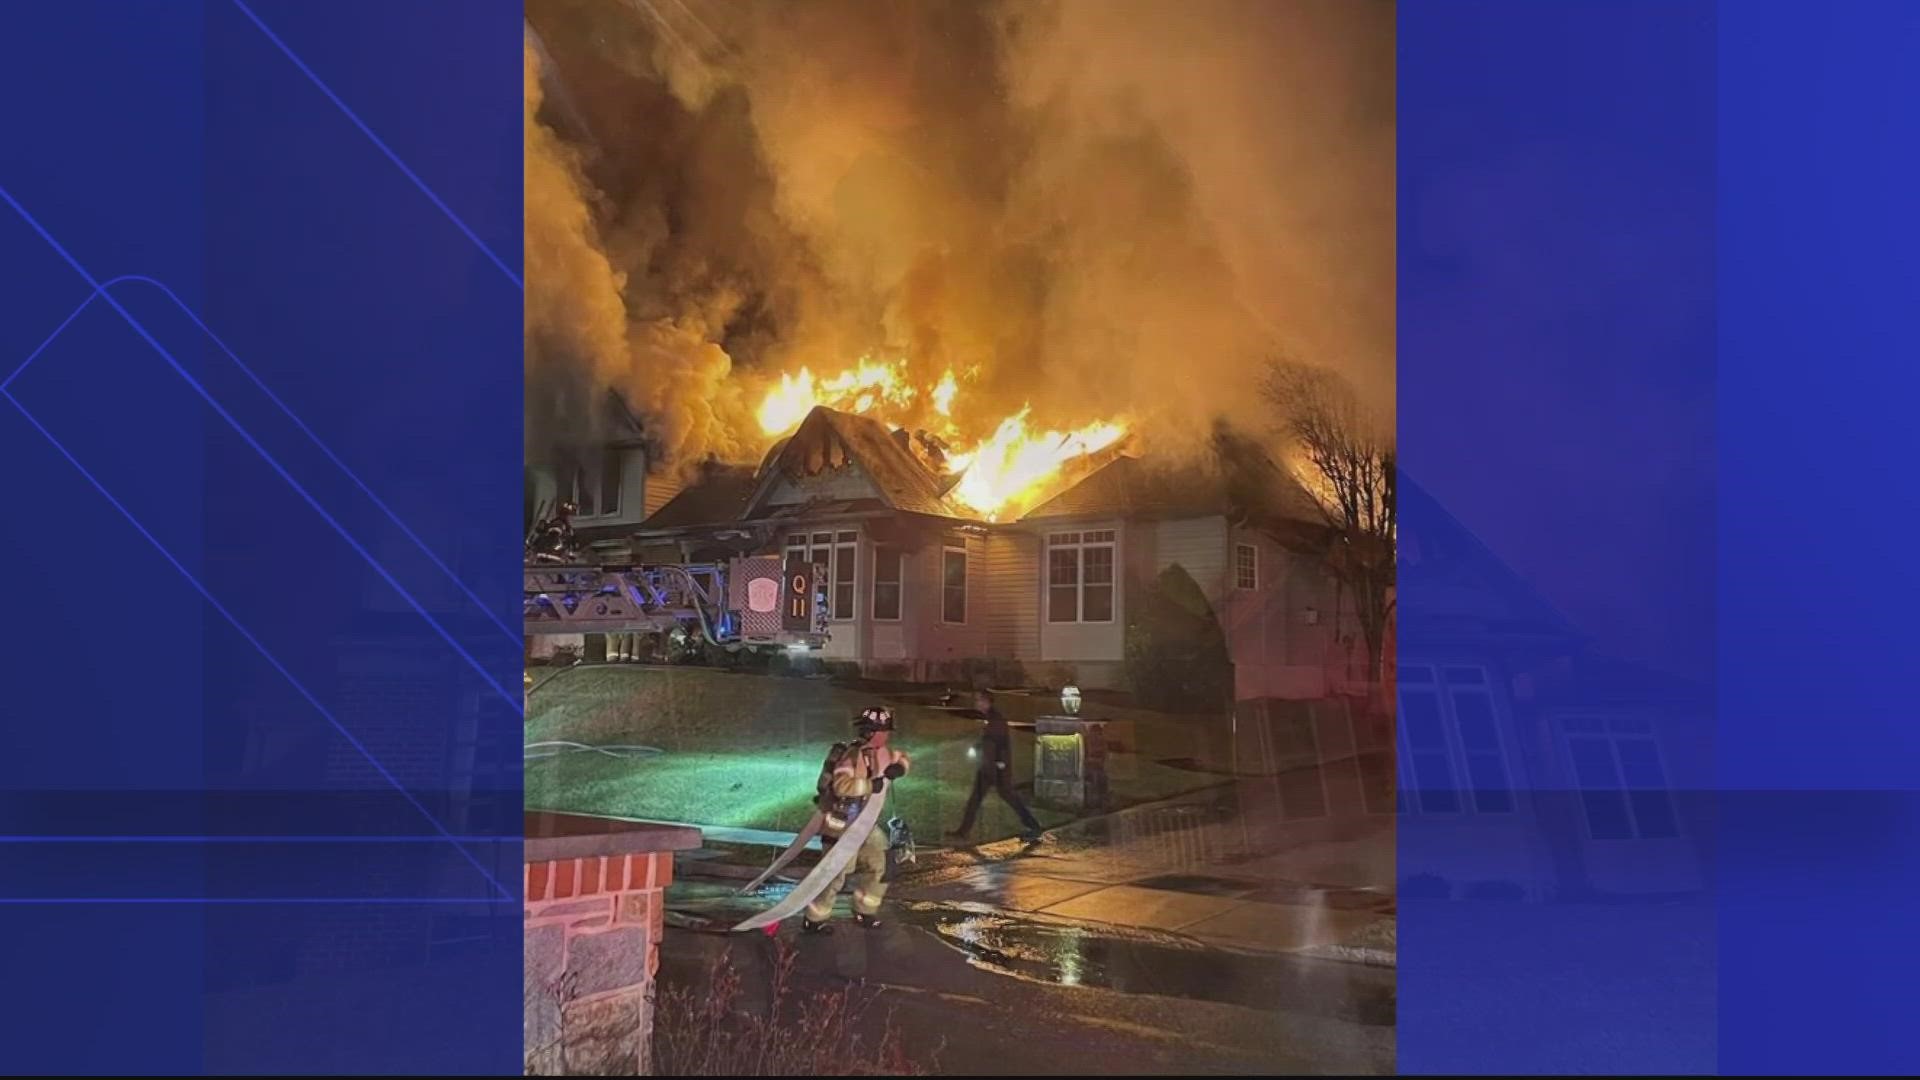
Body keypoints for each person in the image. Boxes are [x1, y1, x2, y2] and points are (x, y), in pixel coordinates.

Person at [803, 706, 911, 934]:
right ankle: (814, 920)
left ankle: (865, 910)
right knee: (834, 876)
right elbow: (841, 785)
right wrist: (871, 785)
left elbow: (903, 758)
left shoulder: (883, 752)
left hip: (866, 826)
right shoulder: (852, 756)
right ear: (872, 732)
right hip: (842, 827)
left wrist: (899, 768)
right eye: (883, 731)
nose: (887, 735)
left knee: (882, 865)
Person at [947, 689, 1045, 844]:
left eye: (979, 700)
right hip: (989, 767)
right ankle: (962, 832)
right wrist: (978, 747)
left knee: (1009, 798)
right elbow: (991, 741)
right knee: (977, 799)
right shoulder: (992, 718)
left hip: (996, 769)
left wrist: (1000, 763)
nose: (976, 703)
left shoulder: (995, 719)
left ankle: (1034, 826)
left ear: (987, 702)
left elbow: (1000, 744)